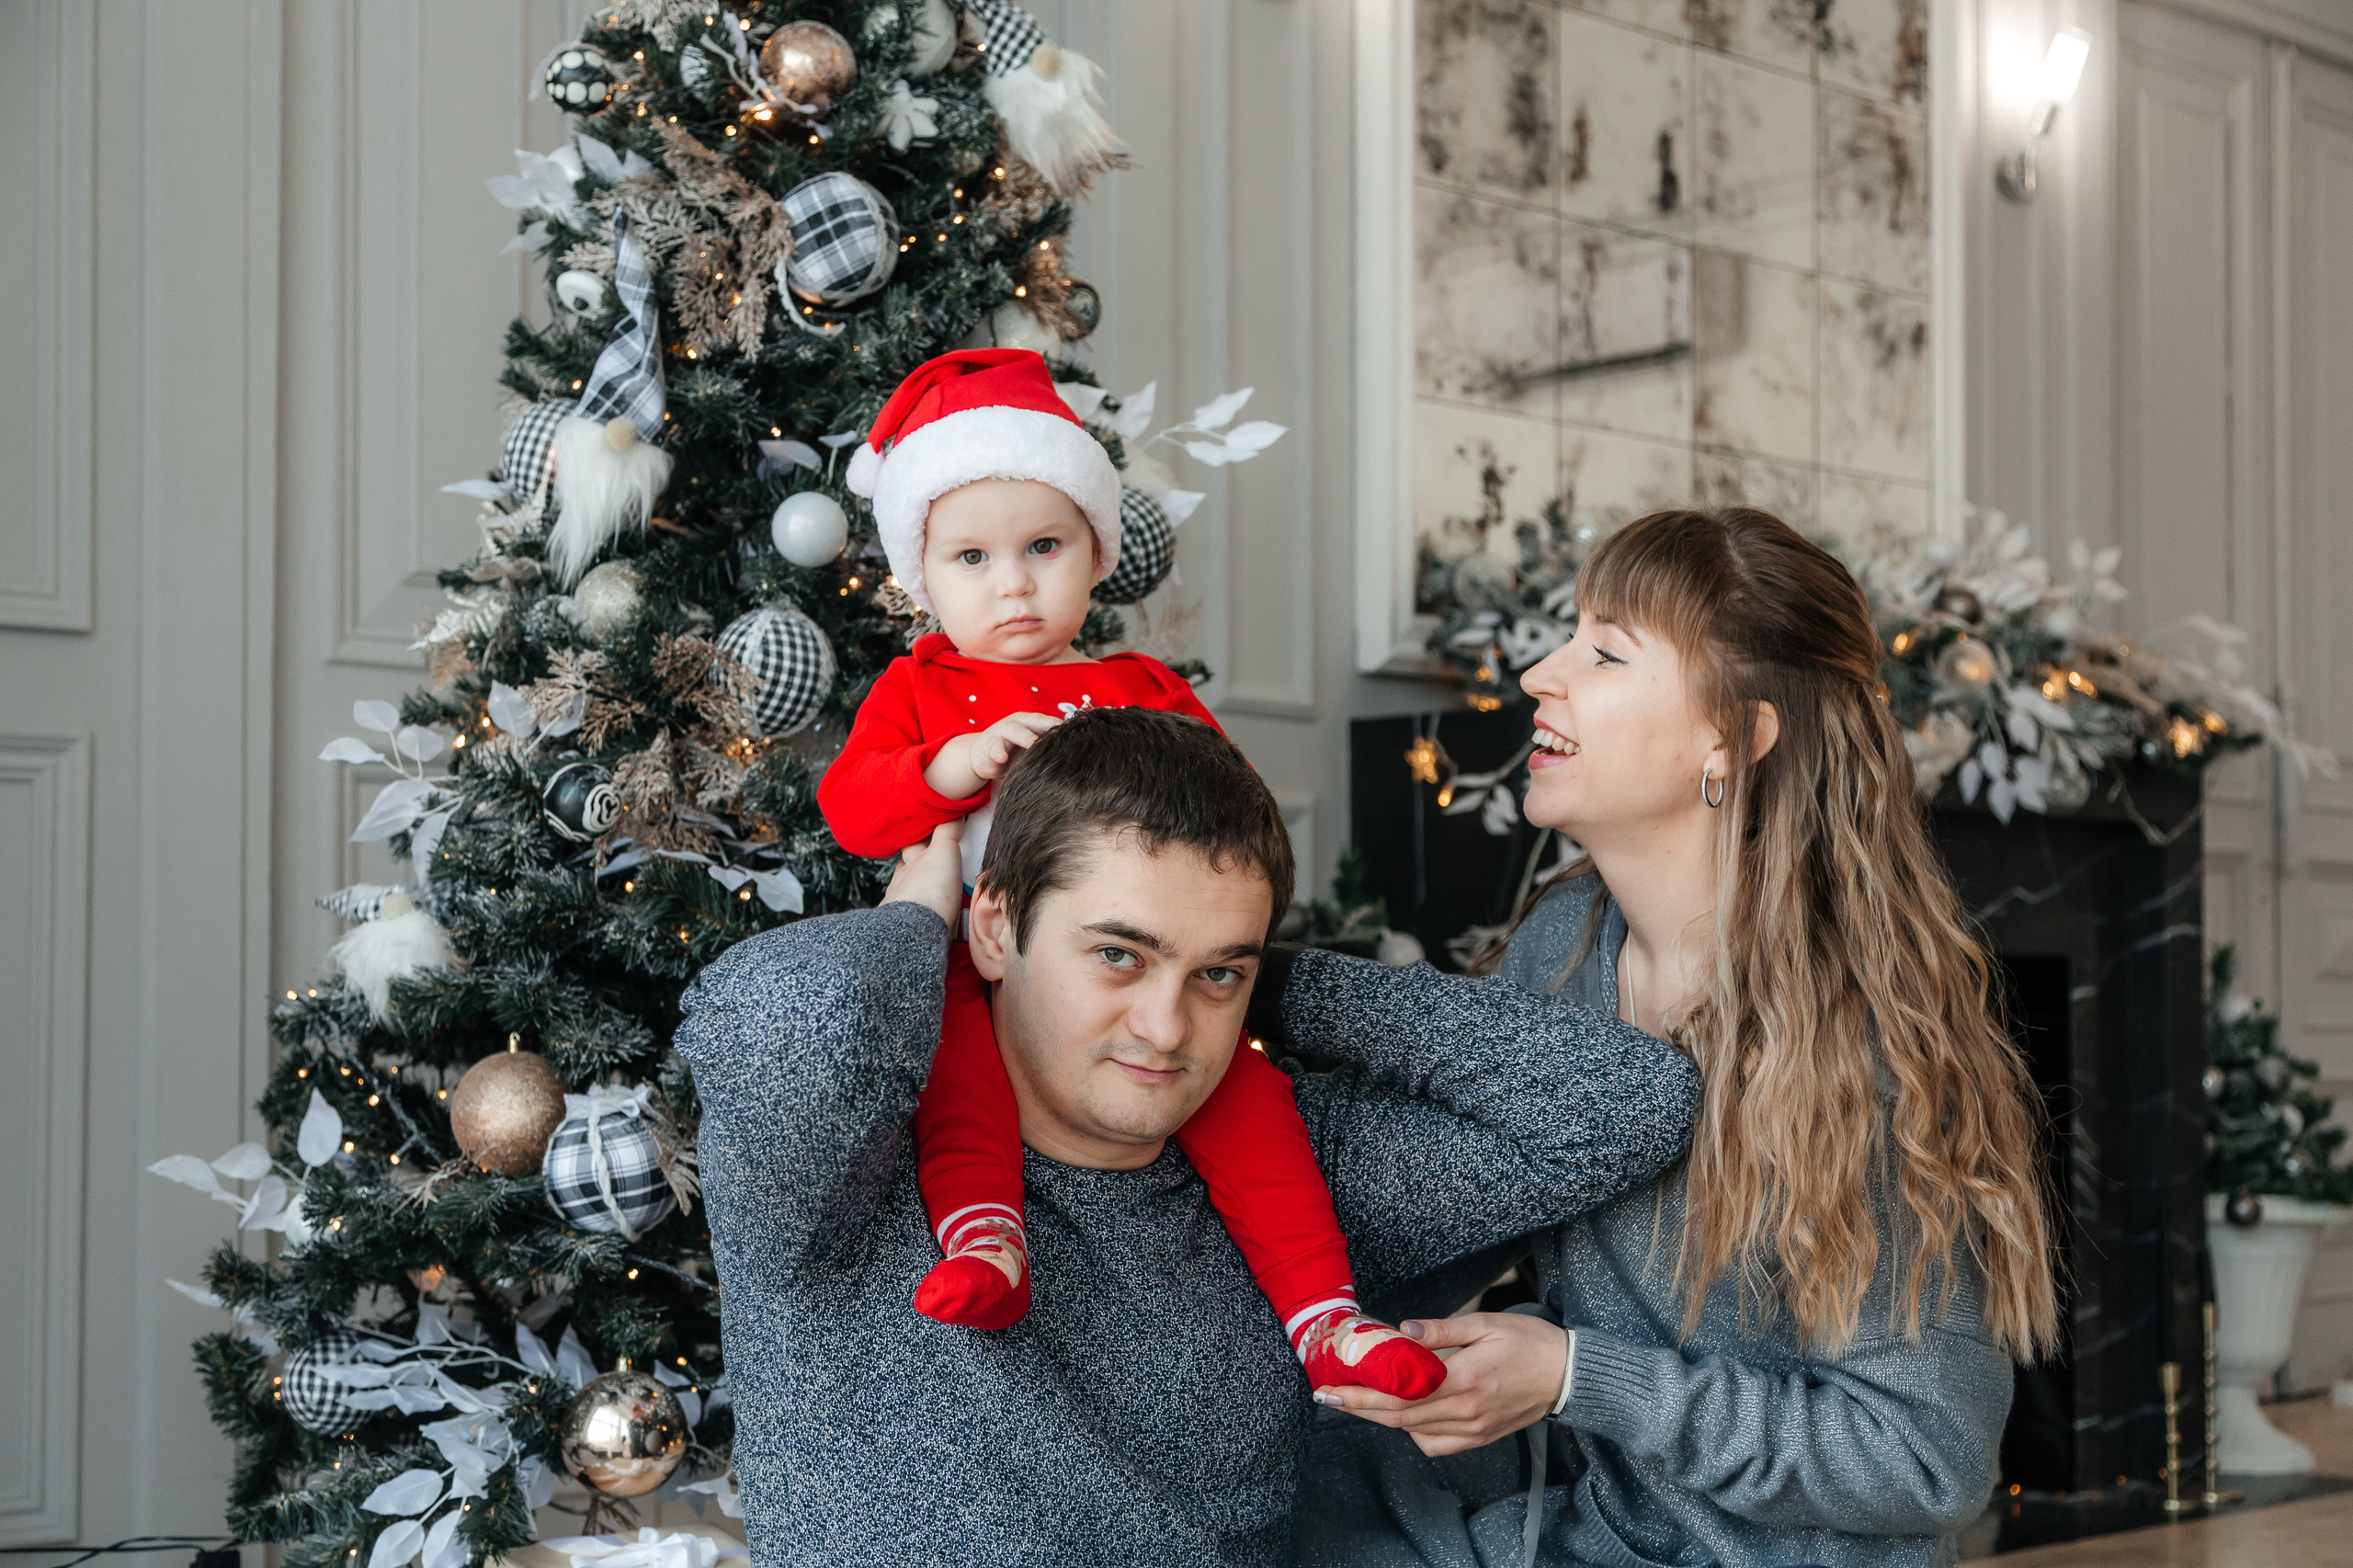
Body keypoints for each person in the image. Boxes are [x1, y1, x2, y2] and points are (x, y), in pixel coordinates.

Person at [676, 706, 1699, 1566]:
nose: (1167, 1030)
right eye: (1119, 953)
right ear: (993, 928)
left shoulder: (1299, 1172)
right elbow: (774, 1025)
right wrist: (917, 928)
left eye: (1216, 972)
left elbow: (1622, 1102)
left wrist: (1276, 978)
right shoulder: (843, 1165)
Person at [1291, 507, 2061, 1568]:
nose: (1538, 676)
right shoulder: (1567, 943)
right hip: (1594, 1513)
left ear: (1732, 737)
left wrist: (1574, 1376)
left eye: (1603, 652)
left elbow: (1926, 1456)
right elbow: (1453, 1208)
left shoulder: (1858, 1045)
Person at [815, 347, 1441, 1399]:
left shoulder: (1135, 683)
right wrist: (946, 767)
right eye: (970, 557)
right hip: (987, 945)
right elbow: (852, 806)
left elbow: (1224, 805)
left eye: (1044, 545)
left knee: (1248, 1097)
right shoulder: (921, 687)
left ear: (1096, 553)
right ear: (921, 575)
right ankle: (984, 1236)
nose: (1012, 580)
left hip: (1134, 945)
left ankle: (1326, 1316)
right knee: (956, 1060)